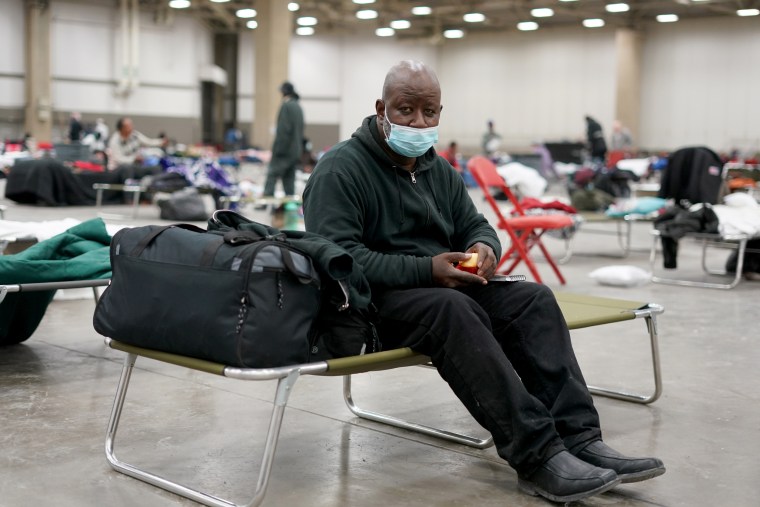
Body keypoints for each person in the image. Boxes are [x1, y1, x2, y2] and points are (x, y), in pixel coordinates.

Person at [303, 60, 665, 504]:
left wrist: (484, 248)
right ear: (381, 109)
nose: (419, 122)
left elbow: (476, 224)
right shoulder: (341, 170)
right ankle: (538, 458)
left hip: (440, 289)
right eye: (406, 110)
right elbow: (338, 260)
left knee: (531, 299)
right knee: (454, 310)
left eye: (430, 112)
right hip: (372, 307)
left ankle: (581, 439)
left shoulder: (437, 170)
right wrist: (426, 269)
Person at [263, 81, 304, 197]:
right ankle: (289, 202)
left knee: (272, 174)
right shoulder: (298, 107)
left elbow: (283, 130)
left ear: (284, 92)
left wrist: (278, 150)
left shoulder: (286, 106)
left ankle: (266, 199)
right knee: (289, 177)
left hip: (284, 150)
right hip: (295, 150)